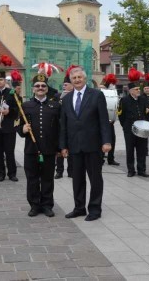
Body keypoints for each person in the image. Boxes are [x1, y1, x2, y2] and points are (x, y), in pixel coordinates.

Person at [60, 66, 112, 222]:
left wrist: (106, 141)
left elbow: (104, 120)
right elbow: (64, 124)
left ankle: (95, 209)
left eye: (79, 77)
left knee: (95, 178)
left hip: (93, 145)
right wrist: (63, 146)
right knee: (77, 178)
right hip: (74, 146)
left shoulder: (96, 95)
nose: (77, 80)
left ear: (85, 78)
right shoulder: (67, 99)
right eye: (74, 78)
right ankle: (79, 208)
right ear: (71, 80)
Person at [17, 73, 61, 217]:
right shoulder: (25, 106)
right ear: (33, 88)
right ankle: (35, 205)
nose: (40, 88)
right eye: (37, 86)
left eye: (43, 86)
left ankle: (47, 205)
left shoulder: (55, 106)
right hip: (31, 149)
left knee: (48, 179)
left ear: (47, 88)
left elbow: (60, 128)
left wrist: (60, 148)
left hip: (49, 149)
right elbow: (18, 125)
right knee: (32, 179)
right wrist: (22, 129)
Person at [118, 75, 149, 177]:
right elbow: (121, 116)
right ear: (131, 91)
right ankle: (131, 170)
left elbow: (145, 113)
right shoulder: (124, 100)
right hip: (129, 129)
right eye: (136, 89)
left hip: (141, 129)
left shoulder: (142, 99)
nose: (138, 91)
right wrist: (125, 127)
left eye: (139, 89)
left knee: (142, 150)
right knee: (130, 150)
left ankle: (141, 170)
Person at [54, 71, 74, 179]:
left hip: (71, 127)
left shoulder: (75, 95)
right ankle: (59, 171)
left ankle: (71, 171)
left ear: (72, 85)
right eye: (64, 85)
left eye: (66, 84)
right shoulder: (57, 96)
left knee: (70, 149)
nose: (64, 86)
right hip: (60, 126)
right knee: (59, 149)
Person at [100, 73, 120, 166]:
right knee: (102, 139)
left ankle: (111, 159)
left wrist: (114, 117)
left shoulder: (112, 91)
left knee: (112, 139)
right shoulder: (100, 91)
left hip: (110, 121)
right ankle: (101, 158)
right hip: (101, 121)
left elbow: (115, 105)